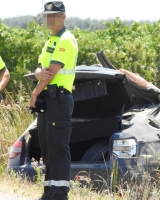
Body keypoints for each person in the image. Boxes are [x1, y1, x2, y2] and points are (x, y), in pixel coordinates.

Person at [30, 1, 78, 200]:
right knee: (48, 148)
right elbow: (39, 69)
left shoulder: (66, 40)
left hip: (58, 99)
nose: (50, 19)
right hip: (48, 99)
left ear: (63, 16)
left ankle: (59, 194)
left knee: (58, 147)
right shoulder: (50, 41)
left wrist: (34, 93)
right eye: (47, 16)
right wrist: (39, 73)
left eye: (54, 15)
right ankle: (49, 192)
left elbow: (49, 73)